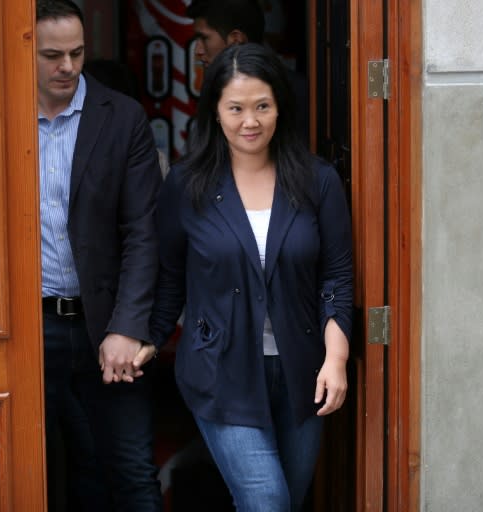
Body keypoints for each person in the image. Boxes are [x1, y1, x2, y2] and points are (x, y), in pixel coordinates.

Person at [150, 43, 353, 512]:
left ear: (280, 106)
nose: (251, 121)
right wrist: (144, 336)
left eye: (263, 106)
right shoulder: (187, 184)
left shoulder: (317, 181)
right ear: (215, 113)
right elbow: (169, 273)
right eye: (236, 108)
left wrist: (336, 358)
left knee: (287, 500)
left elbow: (337, 275)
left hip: (306, 371)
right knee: (266, 501)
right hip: (221, 368)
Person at [35, 1, 162, 510]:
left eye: (77, 52)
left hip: (107, 322)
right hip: (29, 325)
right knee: (49, 470)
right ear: (26, 52)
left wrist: (127, 326)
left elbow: (143, 230)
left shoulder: (123, 117)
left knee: (130, 468)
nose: (67, 66)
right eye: (52, 55)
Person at [185, 0, 309, 140]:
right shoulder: (213, 87)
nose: (198, 50)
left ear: (236, 40)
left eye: (204, 38)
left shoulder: (294, 95)